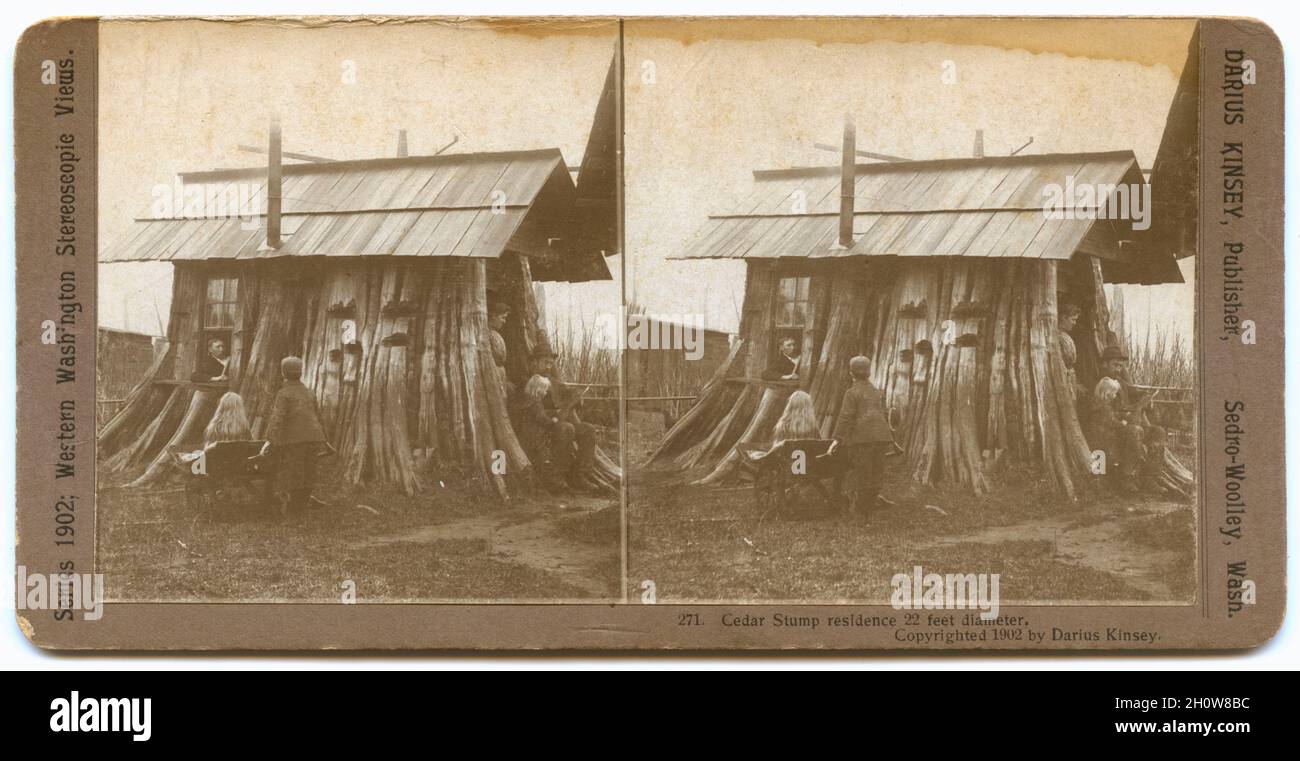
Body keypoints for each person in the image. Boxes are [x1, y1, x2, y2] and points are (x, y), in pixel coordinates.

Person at [263, 356, 328, 513]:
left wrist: (269, 440)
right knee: (309, 471)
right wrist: (324, 438)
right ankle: (302, 505)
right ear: (301, 372)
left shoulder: (283, 394)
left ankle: (294, 509)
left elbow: (277, 419)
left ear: (283, 373)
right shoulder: (309, 393)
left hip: (294, 439)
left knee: (294, 472)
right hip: (314, 437)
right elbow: (318, 416)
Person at [831, 355, 893, 520]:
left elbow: (845, 417)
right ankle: (868, 509)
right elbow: (884, 414)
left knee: (862, 475)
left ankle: (860, 513)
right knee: (876, 474)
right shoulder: (878, 392)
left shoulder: (852, 393)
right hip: (881, 438)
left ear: (851, 373)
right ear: (869, 372)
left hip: (862, 440)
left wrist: (836, 439)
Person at [529, 347, 597, 489]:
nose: (548, 367)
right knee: (566, 428)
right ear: (534, 362)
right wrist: (554, 417)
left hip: (561, 420)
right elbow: (535, 411)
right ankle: (557, 477)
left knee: (588, 430)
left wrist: (566, 408)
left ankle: (580, 476)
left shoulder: (553, 382)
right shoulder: (530, 380)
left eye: (550, 363)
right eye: (545, 363)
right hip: (542, 425)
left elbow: (575, 393)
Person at [512, 374, 562, 490]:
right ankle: (549, 483)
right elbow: (541, 419)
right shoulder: (536, 403)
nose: (545, 393)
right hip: (534, 436)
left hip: (524, 434)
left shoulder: (527, 401)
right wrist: (553, 421)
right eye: (544, 390)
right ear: (538, 390)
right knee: (544, 456)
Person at [488, 301, 515, 397]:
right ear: (493, 316)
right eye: (502, 317)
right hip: (492, 376)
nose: (504, 321)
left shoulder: (495, 333)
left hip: (500, 375)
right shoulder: (486, 334)